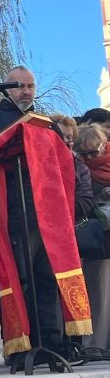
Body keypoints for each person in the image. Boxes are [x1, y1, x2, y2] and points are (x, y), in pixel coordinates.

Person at [0, 66, 82, 366]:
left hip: (48, 216)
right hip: (13, 216)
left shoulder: (47, 125)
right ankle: (21, 347)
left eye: (31, 86)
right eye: (19, 86)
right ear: (5, 88)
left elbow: (62, 168)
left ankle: (53, 341)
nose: (26, 91)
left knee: (47, 280)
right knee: (19, 281)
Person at [76, 123, 110, 352]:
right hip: (97, 236)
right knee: (98, 291)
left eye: (93, 152)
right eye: (84, 153)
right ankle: (95, 345)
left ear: (104, 145)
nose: (89, 157)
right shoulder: (78, 168)